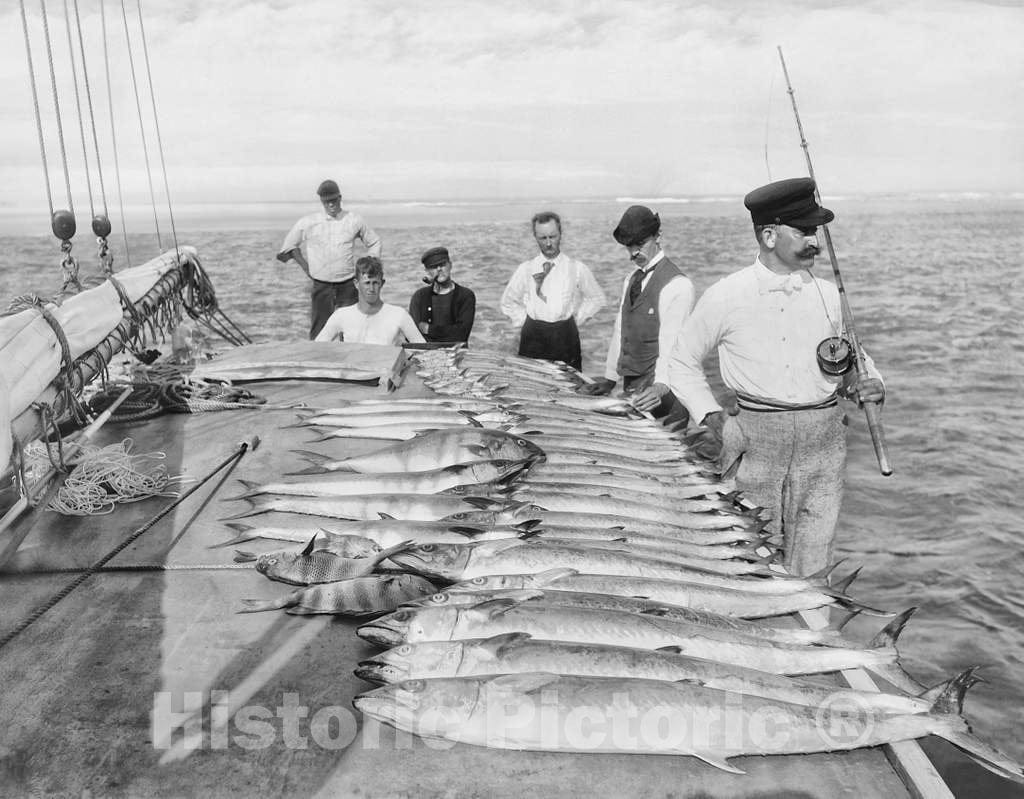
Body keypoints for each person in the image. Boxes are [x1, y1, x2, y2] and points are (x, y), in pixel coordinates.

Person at [665, 177, 885, 576]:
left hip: (824, 443)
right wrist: (713, 419)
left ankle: (814, 634)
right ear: (768, 235)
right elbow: (681, 362)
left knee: (813, 561)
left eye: (816, 231)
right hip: (755, 440)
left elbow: (854, 361)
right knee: (749, 552)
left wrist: (869, 384)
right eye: (804, 231)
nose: (814, 240)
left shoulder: (829, 294)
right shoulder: (727, 295)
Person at [579, 205, 694, 426]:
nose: (633, 253)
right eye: (629, 247)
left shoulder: (678, 285)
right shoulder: (630, 280)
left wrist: (660, 387)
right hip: (633, 389)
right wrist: (610, 378)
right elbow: (621, 330)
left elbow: (672, 345)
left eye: (640, 244)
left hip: (664, 393)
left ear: (658, 236)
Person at [499, 211, 605, 371]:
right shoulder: (526, 268)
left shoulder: (576, 267)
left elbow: (596, 299)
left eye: (553, 237)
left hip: (565, 337)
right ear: (535, 237)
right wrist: (526, 322)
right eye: (543, 238)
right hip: (533, 338)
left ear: (560, 234)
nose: (548, 243)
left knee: (571, 387)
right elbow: (508, 302)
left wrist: (576, 320)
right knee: (532, 387)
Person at [277, 179, 383, 340]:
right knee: (320, 330)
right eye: (326, 202)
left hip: (348, 285)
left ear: (340, 198)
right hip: (321, 286)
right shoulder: (309, 222)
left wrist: (370, 266)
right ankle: (317, 361)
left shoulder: (354, 220)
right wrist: (307, 269)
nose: (331, 205)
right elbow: (288, 247)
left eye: (333, 200)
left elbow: (374, 242)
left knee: (351, 329)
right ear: (321, 201)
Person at [314, 256, 425, 347]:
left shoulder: (399, 314)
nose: (371, 289)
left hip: (386, 373)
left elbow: (423, 350)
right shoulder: (341, 315)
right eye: (367, 283)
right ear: (356, 284)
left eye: (375, 283)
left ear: (382, 283)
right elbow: (316, 348)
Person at [408, 246, 476, 345]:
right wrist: (449, 332)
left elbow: (461, 334)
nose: (439, 269)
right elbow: (415, 336)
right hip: (425, 355)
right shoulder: (419, 297)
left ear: (450, 265)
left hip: (456, 356)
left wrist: (429, 329)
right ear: (427, 271)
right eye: (434, 266)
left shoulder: (465, 296)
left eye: (442, 264)